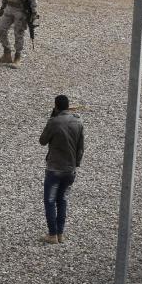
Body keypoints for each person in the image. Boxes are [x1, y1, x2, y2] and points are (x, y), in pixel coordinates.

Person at [39, 95, 85, 244]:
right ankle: (60, 234)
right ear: (68, 105)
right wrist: (75, 164)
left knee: (50, 200)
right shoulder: (78, 122)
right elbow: (80, 147)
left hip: (55, 168)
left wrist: (52, 118)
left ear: (56, 106)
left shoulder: (54, 122)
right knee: (62, 200)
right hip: (70, 169)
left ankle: (52, 235)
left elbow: (42, 141)